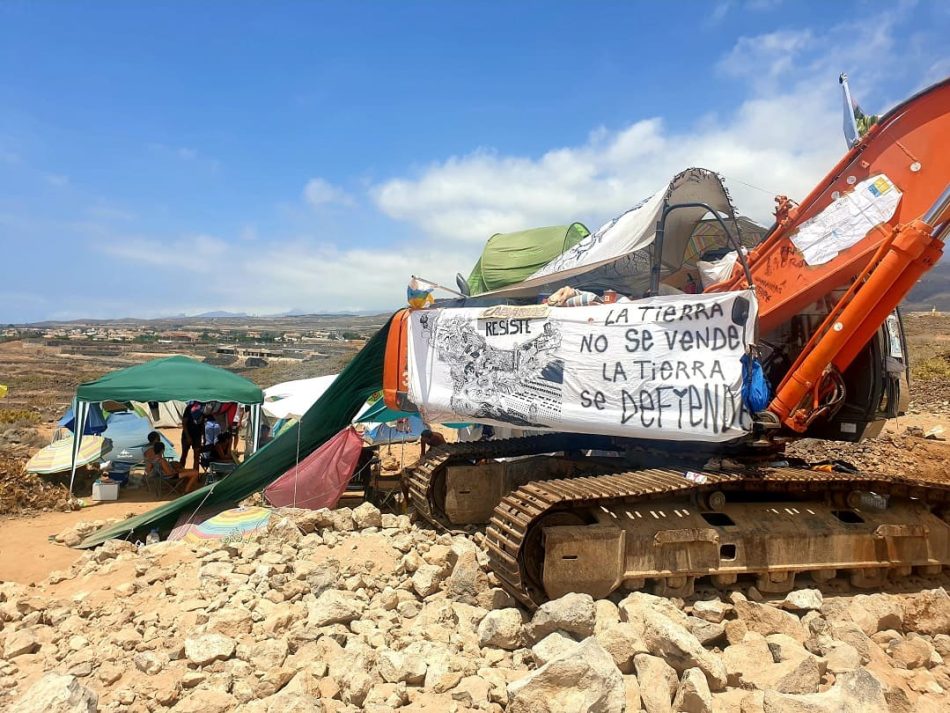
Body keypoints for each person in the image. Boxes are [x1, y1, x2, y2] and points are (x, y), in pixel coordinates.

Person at [179, 401, 204, 469]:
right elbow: (184, 423)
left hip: (197, 436)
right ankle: (181, 472)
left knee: (196, 456)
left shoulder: (203, 409)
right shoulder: (189, 408)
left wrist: (203, 438)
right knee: (184, 454)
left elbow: (202, 424)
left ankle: (195, 475)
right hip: (187, 434)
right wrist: (188, 437)